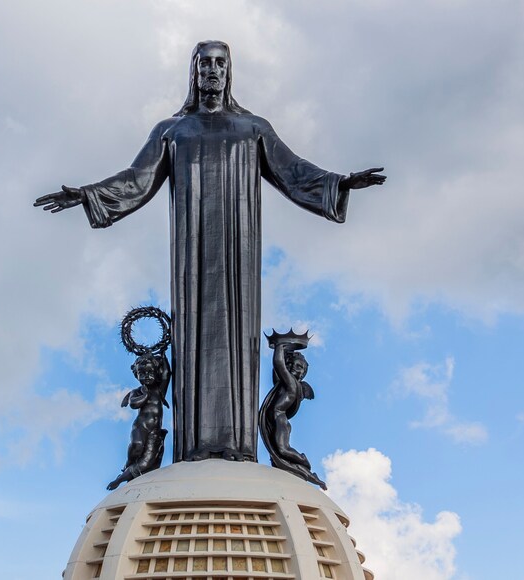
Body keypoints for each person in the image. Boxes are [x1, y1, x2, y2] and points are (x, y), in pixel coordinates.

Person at [36, 40, 385, 463]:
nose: (212, 71)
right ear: (194, 72)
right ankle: (194, 448)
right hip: (192, 252)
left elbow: (293, 172)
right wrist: (88, 194)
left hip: (240, 253)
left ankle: (237, 446)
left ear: (229, 72)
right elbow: (137, 179)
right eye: (205, 64)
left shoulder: (253, 128)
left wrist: (340, 183)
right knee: (196, 333)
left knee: (236, 331)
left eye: (220, 63)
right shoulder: (173, 131)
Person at [259, 332, 326, 489]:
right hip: (274, 420)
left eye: (303, 371)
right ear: (290, 365)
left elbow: (278, 365)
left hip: (280, 420)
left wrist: (279, 346)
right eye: (298, 366)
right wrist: (284, 351)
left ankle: (303, 461)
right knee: (277, 456)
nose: (300, 372)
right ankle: (307, 474)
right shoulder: (283, 384)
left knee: (282, 449)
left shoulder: (292, 384)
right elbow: (277, 371)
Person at [107, 353, 170, 490]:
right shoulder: (136, 392)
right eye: (142, 373)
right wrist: (145, 395)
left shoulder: (159, 391)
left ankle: (121, 479)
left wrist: (164, 355)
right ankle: (128, 465)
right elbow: (134, 404)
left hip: (155, 430)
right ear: (137, 375)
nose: (147, 376)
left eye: (150, 373)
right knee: (137, 445)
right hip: (141, 426)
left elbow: (166, 374)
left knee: (146, 461)